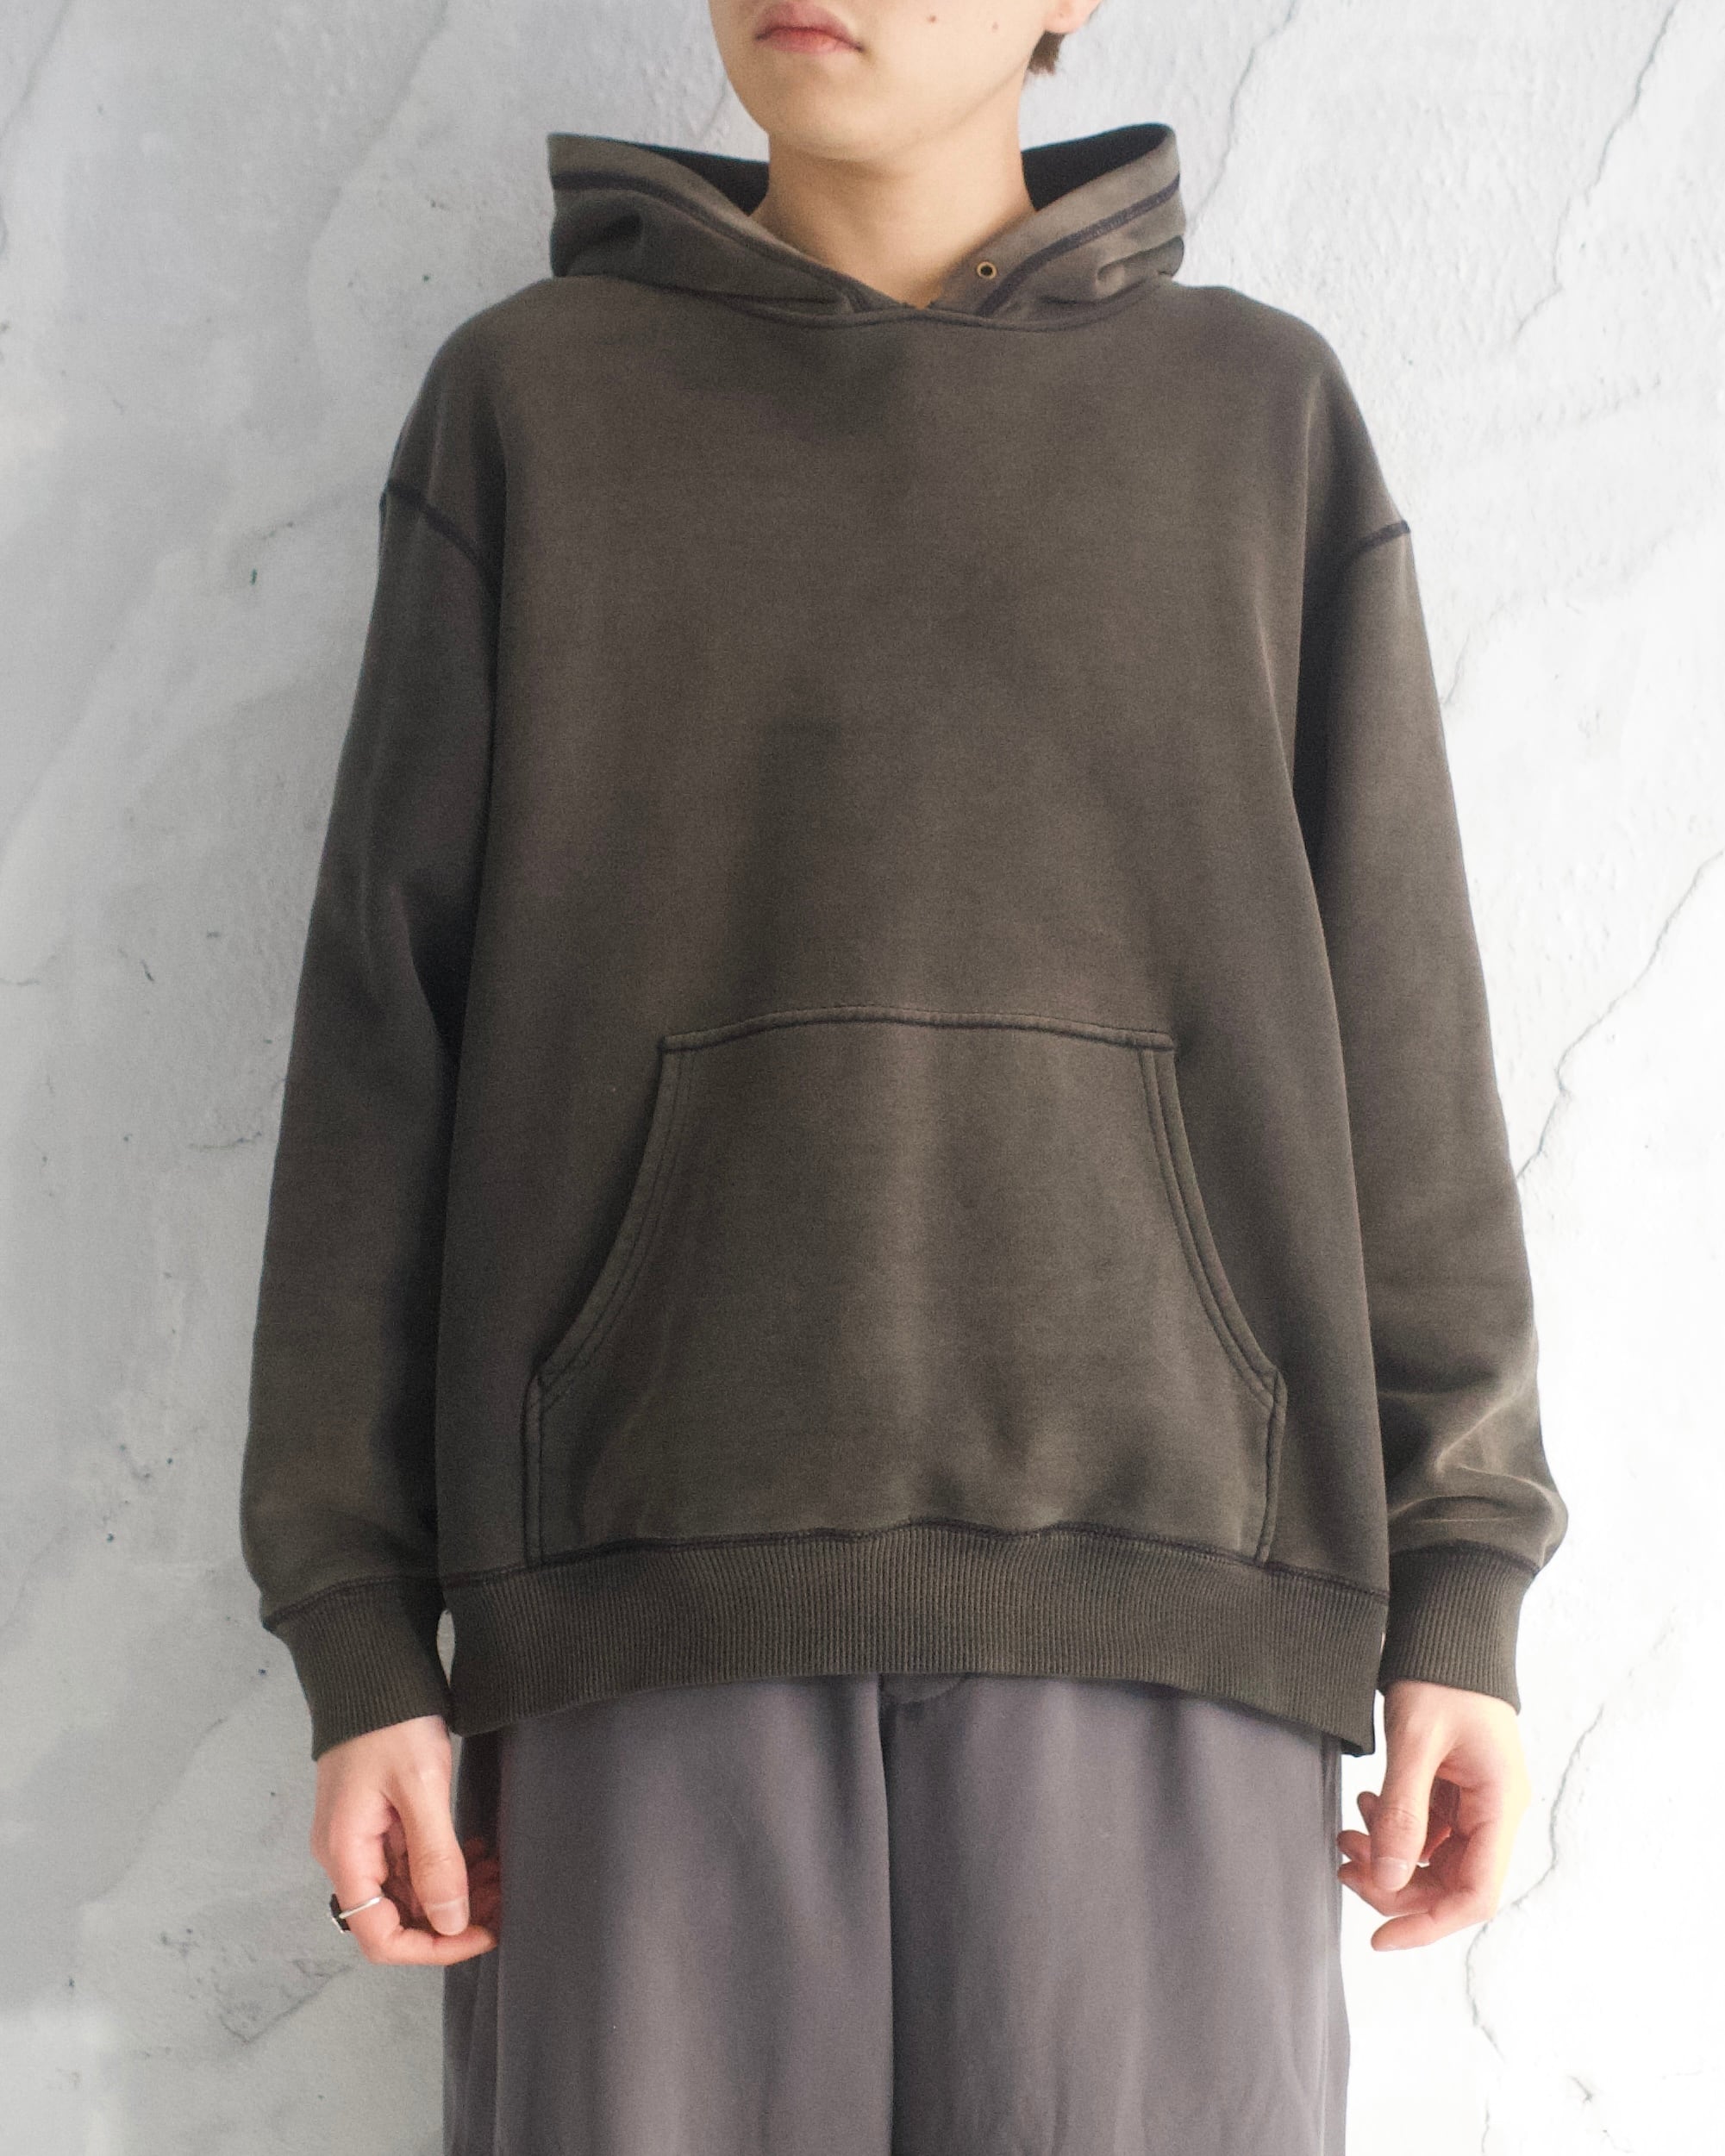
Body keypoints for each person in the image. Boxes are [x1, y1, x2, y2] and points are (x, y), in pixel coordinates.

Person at [238, 3, 1569, 2149]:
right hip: (635, 1611)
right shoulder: (532, 409)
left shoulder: (1256, 421)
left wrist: (1463, 1583)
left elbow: (1398, 1034)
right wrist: (357, 1630)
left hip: (1171, 1605)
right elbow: (381, 1046)